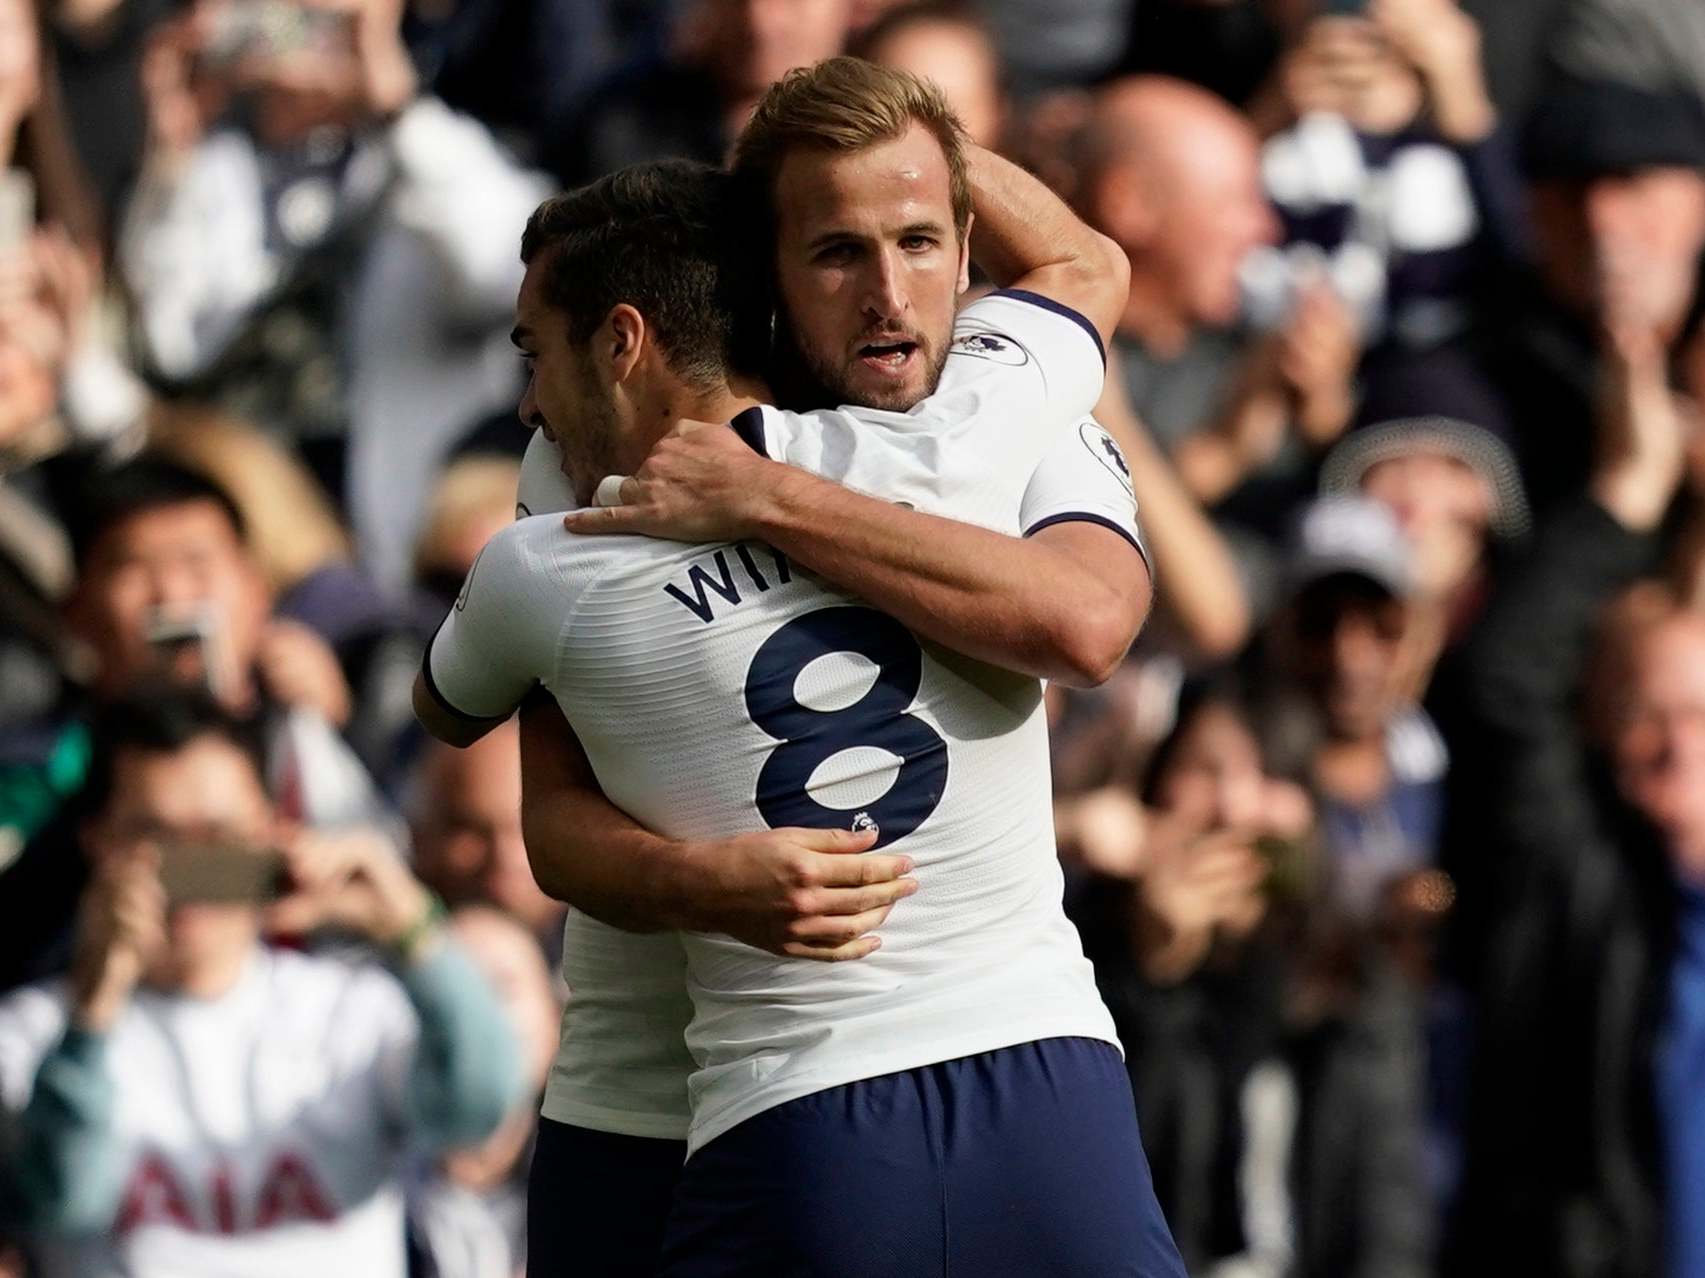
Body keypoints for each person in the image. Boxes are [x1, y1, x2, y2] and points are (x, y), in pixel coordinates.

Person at [423, 58, 1182, 1276]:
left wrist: (770, 496)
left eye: (922, 239)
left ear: (967, 237)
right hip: (643, 1094)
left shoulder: (1022, 412)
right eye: (835, 250)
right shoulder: (593, 453)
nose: (890, 294)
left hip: (857, 1091)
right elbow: (551, 824)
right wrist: (700, 884)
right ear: (767, 265)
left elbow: (1086, 626)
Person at [0, 687, 519, 1276]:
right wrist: (93, 1011)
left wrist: (414, 930)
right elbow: (63, 1199)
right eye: (157, 841)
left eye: (220, 840)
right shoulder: (28, 1035)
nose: (189, 871)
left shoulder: (354, 1013)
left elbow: (478, 1110)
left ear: (272, 832)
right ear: (97, 842)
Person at [1451, 232, 1705, 1278]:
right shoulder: (1583, 858)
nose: (1675, 754)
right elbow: (1507, 685)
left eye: (1702, 718)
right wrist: (1625, 495)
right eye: (1650, 716)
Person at [119, 0, 550, 591]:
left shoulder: (438, 153)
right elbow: (171, 343)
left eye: (324, 21)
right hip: (281, 538)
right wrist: (173, 152)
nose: (297, 37)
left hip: (428, 536)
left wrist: (396, 110)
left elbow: (512, 274)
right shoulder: (221, 165)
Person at [0, 456, 390, 992]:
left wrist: (340, 736)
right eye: (134, 570)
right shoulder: (34, 772)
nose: (173, 598)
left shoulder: (340, 720)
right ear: (78, 610)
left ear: (258, 592)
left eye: (198, 564)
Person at [1073, 76, 1360, 531]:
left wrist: (1324, 419)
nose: (1266, 229)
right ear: (1130, 203)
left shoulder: (1248, 351)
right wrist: (1226, 450)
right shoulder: (1049, 355)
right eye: (1235, 201)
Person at [407, 904, 560, 1278]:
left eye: (501, 988)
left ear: (557, 1024)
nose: (477, 1022)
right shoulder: (367, 1190)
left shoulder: (594, 1198)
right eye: (456, 998)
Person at [409, 722, 563, 953]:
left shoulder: (619, 972)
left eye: (523, 829)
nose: (501, 856)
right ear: (421, 839)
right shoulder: (372, 972)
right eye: (471, 829)